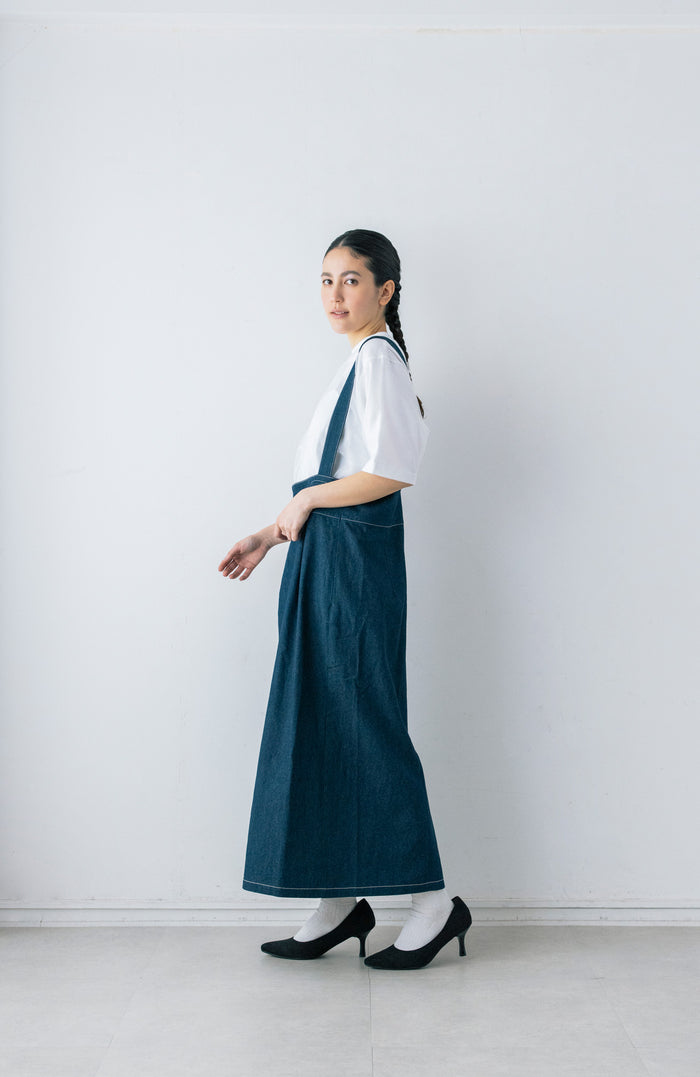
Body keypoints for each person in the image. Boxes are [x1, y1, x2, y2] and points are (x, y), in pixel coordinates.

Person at [218, 229, 471, 970]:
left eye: (351, 280)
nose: (335, 294)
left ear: (385, 291)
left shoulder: (379, 362)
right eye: (326, 280)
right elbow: (339, 477)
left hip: (351, 567)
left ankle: (434, 903)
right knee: (321, 719)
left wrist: (303, 506)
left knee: (364, 722)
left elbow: (389, 472)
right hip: (325, 559)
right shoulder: (357, 363)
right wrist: (271, 533)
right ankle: (339, 900)